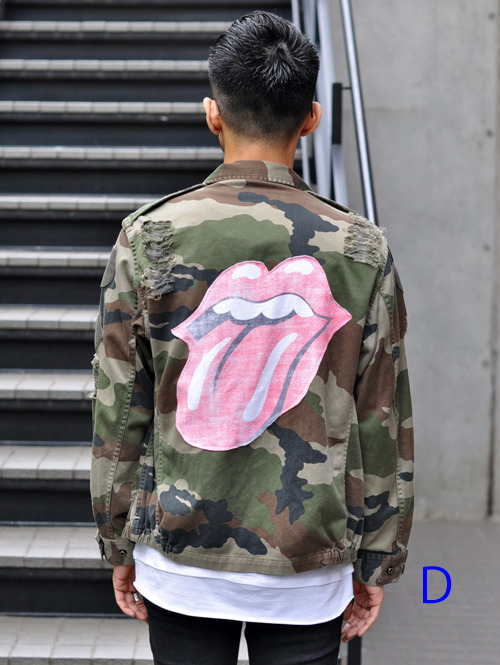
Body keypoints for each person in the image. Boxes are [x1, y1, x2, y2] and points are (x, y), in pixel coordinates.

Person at [90, 10, 414, 665]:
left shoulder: (149, 236)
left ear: (213, 115)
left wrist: (117, 538)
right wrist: (378, 557)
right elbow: (382, 414)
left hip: (180, 558)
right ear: (312, 119)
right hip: (309, 564)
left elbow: (119, 406)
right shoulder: (360, 248)